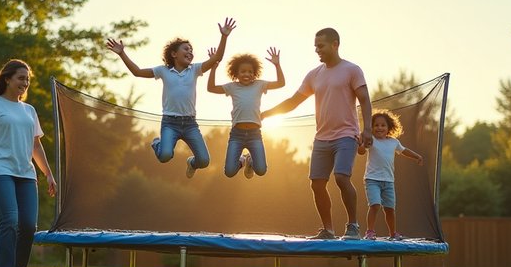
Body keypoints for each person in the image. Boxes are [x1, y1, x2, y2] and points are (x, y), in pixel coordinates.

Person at [261, 27, 373, 240]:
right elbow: (293, 101)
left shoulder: (352, 70)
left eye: (320, 46)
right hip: (322, 138)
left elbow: (365, 99)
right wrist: (267, 113)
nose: (317, 50)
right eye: (315, 47)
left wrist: (367, 129)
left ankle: (353, 226)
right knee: (316, 183)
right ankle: (328, 230)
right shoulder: (314, 75)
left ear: (335, 44)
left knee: (341, 177)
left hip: (347, 135)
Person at [106, 18, 236, 178]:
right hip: (170, 123)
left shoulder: (195, 70)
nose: (190, 52)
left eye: (191, 50)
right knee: (165, 156)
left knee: (204, 161)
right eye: (186, 49)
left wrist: (224, 36)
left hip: (190, 124)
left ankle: (191, 163)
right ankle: (157, 144)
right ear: (174, 54)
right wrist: (122, 53)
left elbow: (216, 58)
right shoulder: (163, 71)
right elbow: (138, 72)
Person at [0, 59, 57, 267]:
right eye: (21, 78)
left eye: (27, 79)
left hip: (26, 174)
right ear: (7, 79)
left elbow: (36, 145)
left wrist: (48, 173)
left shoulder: (29, 110)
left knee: (28, 226)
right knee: (9, 220)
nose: (25, 82)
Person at [206, 47, 285, 178]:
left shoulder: (260, 85)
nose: (246, 74)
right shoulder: (232, 87)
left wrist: (277, 65)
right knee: (229, 172)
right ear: (236, 74)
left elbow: (281, 83)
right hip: (237, 134)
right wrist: (213, 68)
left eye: (250, 72)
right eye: (242, 72)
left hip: (255, 134)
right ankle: (243, 161)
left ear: (255, 73)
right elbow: (211, 88)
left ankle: (250, 161)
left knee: (261, 170)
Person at [357, 110, 423, 240]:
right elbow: (361, 152)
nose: (379, 128)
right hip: (372, 179)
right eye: (376, 125)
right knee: (375, 205)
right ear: (371, 127)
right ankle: (370, 232)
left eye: (383, 125)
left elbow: (404, 151)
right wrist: (361, 145)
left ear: (389, 128)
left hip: (388, 181)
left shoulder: (393, 142)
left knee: (389, 209)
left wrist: (417, 156)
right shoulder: (371, 140)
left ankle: (393, 233)